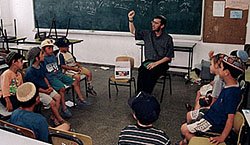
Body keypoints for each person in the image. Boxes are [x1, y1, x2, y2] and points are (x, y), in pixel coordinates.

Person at [179, 55, 245, 145]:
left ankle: (191, 141)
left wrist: (222, 137)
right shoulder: (230, 85)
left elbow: (230, 119)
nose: (218, 69)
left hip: (214, 122)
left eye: (220, 67)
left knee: (184, 129)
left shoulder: (232, 94)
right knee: (189, 118)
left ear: (226, 73)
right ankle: (186, 141)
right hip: (212, 115)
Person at [128, 10, 174, 94]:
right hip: (149, 62)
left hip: (161, 63)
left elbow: (168, 57)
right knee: (142, 70)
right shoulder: (147, 34)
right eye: (153, 22)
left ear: (162, 25)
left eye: (156, 23)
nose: (153, 24)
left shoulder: (168, 38)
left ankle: (146, 96)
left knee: (151, 74)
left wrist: (155, 64)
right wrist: (130, 19)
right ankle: (139, 94)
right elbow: (133, 32)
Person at [25, 47, 65, 126]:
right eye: (42, 54)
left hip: (45, 89)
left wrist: (49, 86)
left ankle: (54, 117)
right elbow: (33, 87)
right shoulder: (30, 71)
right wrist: (45, 91)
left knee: (58, 97)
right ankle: (60, 119)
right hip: (38, 92)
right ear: (37, 58)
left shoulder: (41, 66)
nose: (43, 55)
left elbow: (44, 77)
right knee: (52, 103)